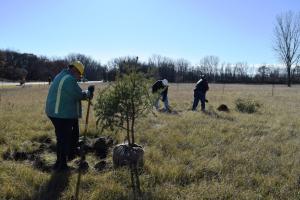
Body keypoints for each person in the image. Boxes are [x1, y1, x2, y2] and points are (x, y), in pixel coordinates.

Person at [45, 61, 94, 171]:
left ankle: (68, 156)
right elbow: (78, 94)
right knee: (63, 139)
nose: (79, 78)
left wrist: (86, 93)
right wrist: (89, 93)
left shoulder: (62, 75)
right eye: (79, 75)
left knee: (67, 136)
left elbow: (75, 93)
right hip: (61, 114)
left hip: (57, 112)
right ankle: (61, 165)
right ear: (75, 70)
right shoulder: (69, 79)